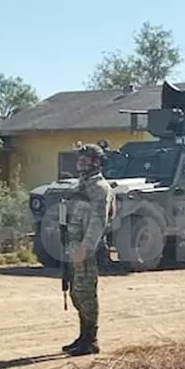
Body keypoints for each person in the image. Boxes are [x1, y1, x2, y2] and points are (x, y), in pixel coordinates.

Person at [61, 143, 114, 357]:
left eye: (86, 159)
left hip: (86, 249)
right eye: (80, 159)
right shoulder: (80, 186)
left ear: (97, 163)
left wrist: (86, 247)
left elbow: (98, 223)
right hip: (73, 246)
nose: (81, 163)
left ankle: (91, 340)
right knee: (76, 293)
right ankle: (83, 336)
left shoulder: (100, 189)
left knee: (86, 294)